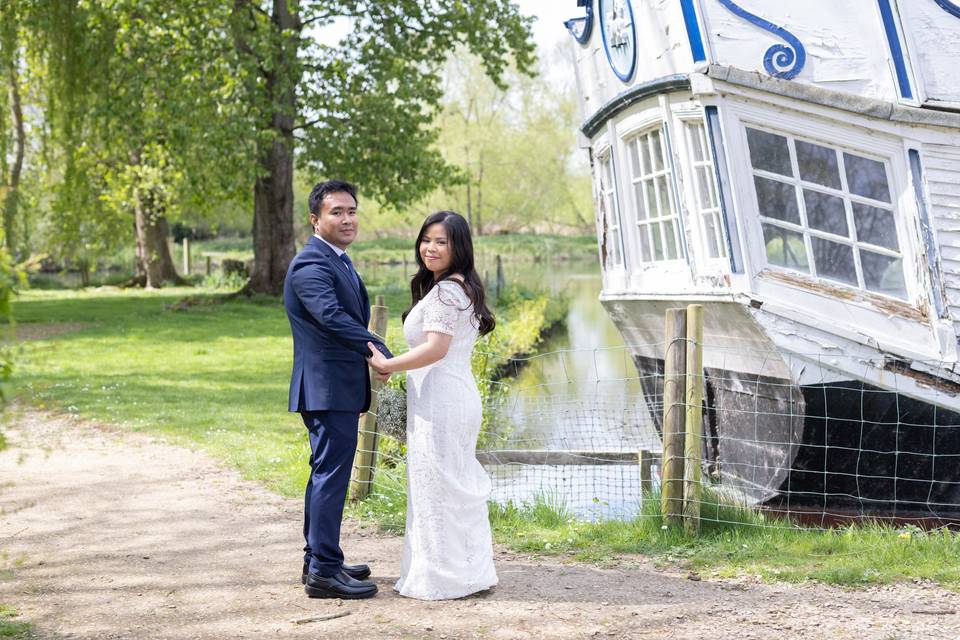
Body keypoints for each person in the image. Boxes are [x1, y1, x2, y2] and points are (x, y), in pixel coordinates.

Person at [366, 210, 498, 600]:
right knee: (451, 483)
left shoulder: (444, 292)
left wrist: (388, 365)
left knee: (437, 486)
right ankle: (467, 571)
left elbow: (436, 348)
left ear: (459, 247)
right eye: (426, 239)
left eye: (442, 241)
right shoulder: (460, 287)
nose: (431, 248)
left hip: (442, 399)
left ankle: (443, 577)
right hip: (453, 395)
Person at [283, 179, 392, 600]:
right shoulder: (311, 264)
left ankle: (319, 560)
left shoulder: (339, 260)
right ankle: (324, 573)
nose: (347, 219)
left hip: (337, 389)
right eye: (336, 212)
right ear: (315, 219)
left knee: (325, 474)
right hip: (326, 390)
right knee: (331, 477)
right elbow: (329, 315)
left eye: (352, 211)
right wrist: (375, 347)